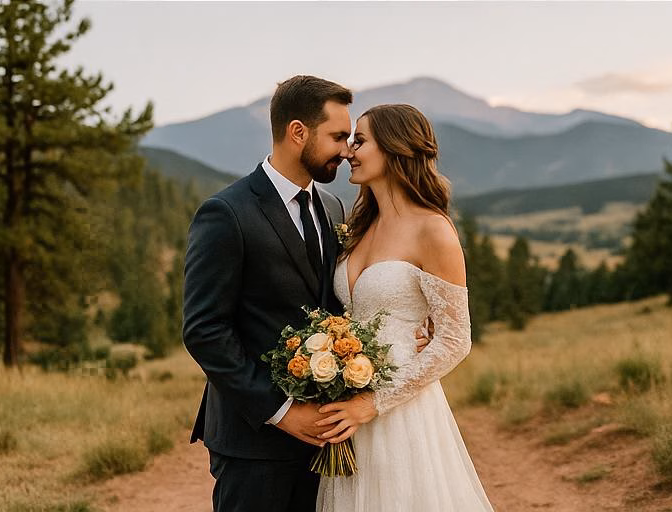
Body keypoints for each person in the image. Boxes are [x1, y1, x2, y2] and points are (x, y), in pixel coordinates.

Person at [182, 77, 431, 512]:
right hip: (254, 441)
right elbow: (204, 330)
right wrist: (281, 411)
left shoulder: (333, 208)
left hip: (327, 439)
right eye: (337, 137)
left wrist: (404, 332)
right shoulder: (227, 213)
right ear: (298, 132)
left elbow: (340, 306)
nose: (346, 150)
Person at [315, 104, 494, 511]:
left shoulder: (433, 229)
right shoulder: (359, 227)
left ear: (395, 148)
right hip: (348, 403)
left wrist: (372, 404)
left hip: (399, 411)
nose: (349, 152)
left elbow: (455, 340)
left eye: (360, 141)